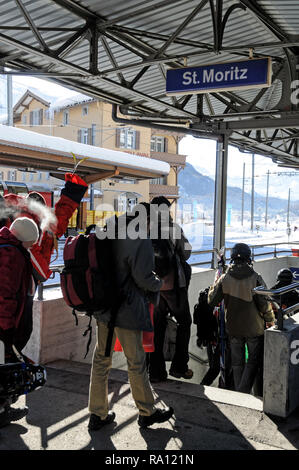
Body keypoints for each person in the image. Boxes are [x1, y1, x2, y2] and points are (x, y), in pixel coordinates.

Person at [88, 206, 174, 430]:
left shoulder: (109, 228)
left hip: (103, 306)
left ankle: (97, 414)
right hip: (126, 309)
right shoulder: (139, 238)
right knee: (136, 362)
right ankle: (147, 412)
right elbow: (143, 277)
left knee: (101, 360)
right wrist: (159, 284)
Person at [208, 243, 275, 395]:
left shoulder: (224, 279)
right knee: (253, 361)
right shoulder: (255, 278)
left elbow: (212, 300)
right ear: (248, 258)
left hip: (233, 328)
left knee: (237, 363)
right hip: (254, 328)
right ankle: (244, 392)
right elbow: (264, 304)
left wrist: (215, 283)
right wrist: (270, 319)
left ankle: (240, 394)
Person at [147, 196, 193, 383]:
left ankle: (155, 371)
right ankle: (179, 366)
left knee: (157, 327)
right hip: (173, 287)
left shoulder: (144, 229)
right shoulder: (173, 228)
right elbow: (187, 252)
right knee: (184, 322)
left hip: (152, 287)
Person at [0, 217, 39, 428]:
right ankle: (2, 412)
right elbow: (4, 293)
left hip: (5, 322)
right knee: (3, 366)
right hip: (3, 324)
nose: (31, 247)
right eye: (31, 243)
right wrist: (6, 327)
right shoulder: (10, 254)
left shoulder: (8, 247)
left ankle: (4, 408)